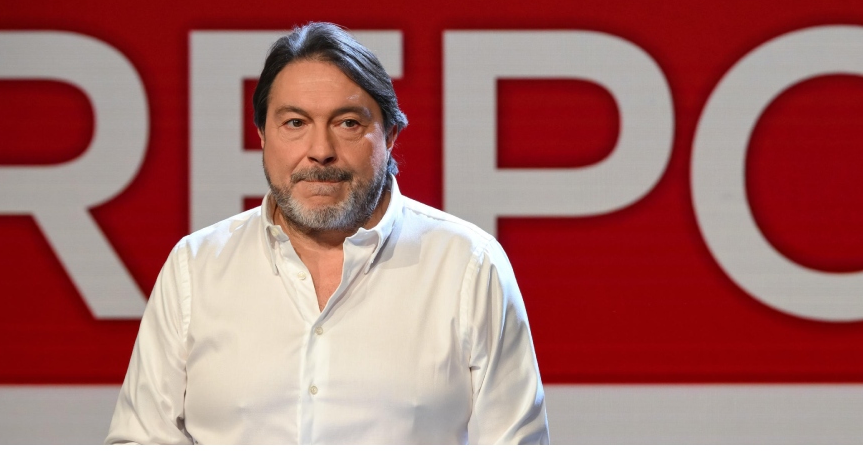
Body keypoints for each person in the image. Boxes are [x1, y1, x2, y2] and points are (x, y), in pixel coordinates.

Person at [106, 22, 549, 444]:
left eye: (348, 123)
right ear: (261, 135)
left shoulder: (469, 266)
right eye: (295, 123)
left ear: (390, 135)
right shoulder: (195, 268)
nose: (320, 151)